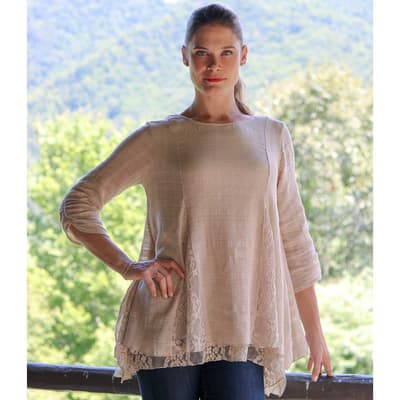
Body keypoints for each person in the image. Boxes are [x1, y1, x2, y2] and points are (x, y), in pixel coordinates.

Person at [59, 3, 333, 399]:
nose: (214, 65)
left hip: (245, 326)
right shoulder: (159, 138)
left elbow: (295, 240)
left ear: (244, 55)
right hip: (168, 320)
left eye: (226, 52)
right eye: (202, 52)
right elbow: (77, 205)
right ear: (185, 56)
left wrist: (315, 334)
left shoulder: (272, 136)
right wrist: (129, 266)